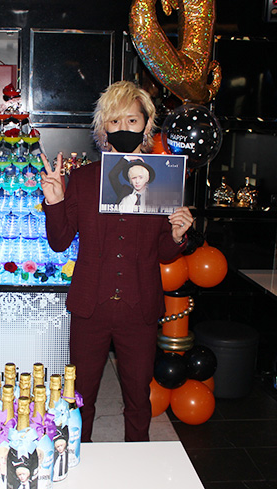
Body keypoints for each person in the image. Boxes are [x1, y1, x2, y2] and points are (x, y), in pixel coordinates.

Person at [40, 80, 194, 442]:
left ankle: (136, 462)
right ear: (103, 128)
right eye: (115, 121)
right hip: (90, 308)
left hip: (139, 309)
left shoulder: (163, 180)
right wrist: (55, 201)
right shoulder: (82, 179)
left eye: (132, 120)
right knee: (80, 398)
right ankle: (77, 456)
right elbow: (59, 242)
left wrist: (176, 234)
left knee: (138, 399)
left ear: (147, 125)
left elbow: (163, 252)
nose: (123, 128)